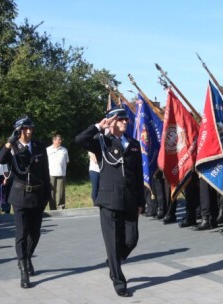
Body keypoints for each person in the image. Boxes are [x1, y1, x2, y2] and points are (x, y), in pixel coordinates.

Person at [75, 108, 144, 297]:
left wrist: (141, 201)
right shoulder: (102, 142)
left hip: (129, 199)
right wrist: (99, 126)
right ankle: (118, 279)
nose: (124, 122)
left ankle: (113, 261)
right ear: (111, 121)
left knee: (132, 239)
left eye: (126, 119)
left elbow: (138, 175)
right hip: (109, 200)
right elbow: (79, 140)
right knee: (113, 242)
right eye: (120, 119)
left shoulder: (134, 144)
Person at [0, 116, 51, 289]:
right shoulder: (12, 147)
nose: (29, 131)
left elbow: (45, 170)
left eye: (31, 128)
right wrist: (8, 143)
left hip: (37, 194)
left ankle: (27, 257)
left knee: (35, 233)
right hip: (20, 195)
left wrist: (47, 194)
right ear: (18, 130)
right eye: (25, 129)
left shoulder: (39, 146)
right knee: (21, 233)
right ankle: (23, 270)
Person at [46, 134, 69, 210]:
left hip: (61, 173)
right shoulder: (48, 150)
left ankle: (61, 207)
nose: (60, 141)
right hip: (51, 174)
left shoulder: (64, 150)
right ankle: (52, 208)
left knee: (61, 192)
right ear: (54, 140)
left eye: (61, 140)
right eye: (58, 140)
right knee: (51, 193)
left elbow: (66, 161)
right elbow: (45, 162)